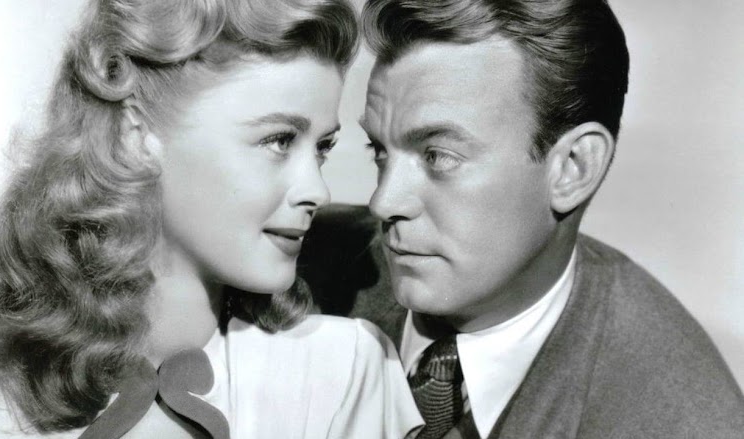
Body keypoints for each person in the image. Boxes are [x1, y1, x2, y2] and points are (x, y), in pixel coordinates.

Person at [0, 0, 423, 437]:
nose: (317, 191)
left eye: (321, 148)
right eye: (280, 140)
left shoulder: (341, 372)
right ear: (135, 136)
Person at [299, 0, 744, 437]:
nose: (383, 201)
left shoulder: (682, 420)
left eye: (438, 156)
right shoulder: (294, 273)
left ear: (573, 168)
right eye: (379, 151)